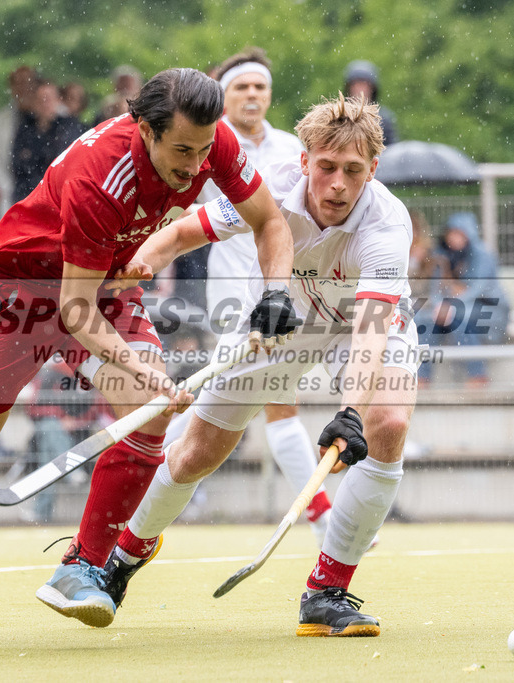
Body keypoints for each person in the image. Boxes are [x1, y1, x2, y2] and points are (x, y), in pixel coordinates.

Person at [0, 69, 298, 625]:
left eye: (203, 150)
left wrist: (277, 293)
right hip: (23, 294)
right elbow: (73, 310)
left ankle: (84, 568)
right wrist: (145, 365)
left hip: (103, 287)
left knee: (148, 415)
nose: (195, 165)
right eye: (182, 151)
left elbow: (270, 221)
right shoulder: (103, 176)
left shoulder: (214, 141)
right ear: (144, 128)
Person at [96, 94, 419, 637]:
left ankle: (326, 591)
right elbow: (180, 234)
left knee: (387, 422)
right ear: (305, 162)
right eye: (327, 167)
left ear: (373, 171)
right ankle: (123, 559)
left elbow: (370, 328)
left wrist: (349, 414)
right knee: (199, 451)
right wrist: (138, 266)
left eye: (353, 171)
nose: (338, 183)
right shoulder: (265, 189)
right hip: (279, 324)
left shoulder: (386, 222)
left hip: (365, 323)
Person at [171, 47, 334, 545]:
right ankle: (323, 516)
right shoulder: (206, 145)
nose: (251, 95)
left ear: (269, 95)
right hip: (230, 295)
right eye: (241, 87)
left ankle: (321, 514)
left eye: (259, 87)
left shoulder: (291, 147)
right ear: (224, 97)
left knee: (270, 401)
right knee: (248, 402)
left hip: (280, 292)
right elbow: (179, 212)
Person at [419, 212, 511, 387]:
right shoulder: (442, 256)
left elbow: (478, 290)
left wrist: (450, 306)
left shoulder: (482, 255)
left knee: (459, 317)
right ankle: (422, 376)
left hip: (488, 308)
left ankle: (477, 375)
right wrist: (441, 305)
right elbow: (436, 288)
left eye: (459, 233)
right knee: (426, 321)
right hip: (454, 308)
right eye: (451, 233)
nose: (454, 238)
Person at [10, 79, 86, 202]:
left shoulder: (70, 127)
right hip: (27, 196)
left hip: (57, 197)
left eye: (48, 98)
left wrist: (32, 156)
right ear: (34, 102)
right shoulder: (25, 127)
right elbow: (17, 162)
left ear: (58, 100)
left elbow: (63, 163)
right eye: (40, 99)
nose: (44, 103)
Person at [0, 65, 37, 219]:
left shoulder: (50, 116)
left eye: (28, 82)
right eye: (18, 82)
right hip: (10, 190)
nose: (24, 87)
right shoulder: (0, 119)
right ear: (11, 87)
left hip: (43, 188)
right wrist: (3, 184)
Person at [343, 60, 397, 146]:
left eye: (364, 85)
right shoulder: (340, 115)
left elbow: (390, 149)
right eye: (356, 85)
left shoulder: (383, 118)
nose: (359, 89)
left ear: (372, 89)